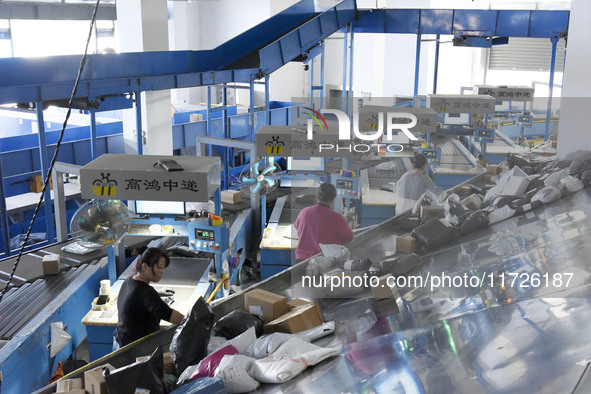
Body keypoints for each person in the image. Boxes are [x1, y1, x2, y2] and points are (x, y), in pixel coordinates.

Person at [113, 246, 184, 351]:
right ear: (145, 266)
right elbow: (170, 315)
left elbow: (138, 300)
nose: (162, 271)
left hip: (120, 342)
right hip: (131, 351)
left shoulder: (129, 281)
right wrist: (194, 321)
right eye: (159, 267)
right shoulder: (146, 293)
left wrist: (157, 293)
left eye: (163, 268)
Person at [294, 182, 354, 261]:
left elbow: (297, 227)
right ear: (332, 200)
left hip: (301, 261)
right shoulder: (338, 218)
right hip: (324, 262)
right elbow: (349, 237)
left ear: (317, 196)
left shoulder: (304, 212)